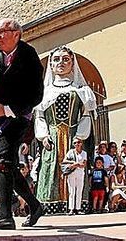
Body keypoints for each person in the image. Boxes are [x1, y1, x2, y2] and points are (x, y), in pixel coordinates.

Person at [0, 18, 44, 230]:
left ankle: (4, 215)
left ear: (16, 34)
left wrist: (7, 109)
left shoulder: (29, 56)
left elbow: (36, 96)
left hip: (17, 116)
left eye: (2, 31)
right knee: (9, 166)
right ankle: (34, 205)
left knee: (1, 159)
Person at [33, 47, 96, 212]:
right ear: (51, 65)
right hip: (52, 137)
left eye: (65, 59)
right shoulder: (45, 92)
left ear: (72, 63)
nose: (61, 63)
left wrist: (80, 136)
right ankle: (49, 206)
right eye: (56, 59)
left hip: (73, 135)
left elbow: (86, 115)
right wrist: (43, 136)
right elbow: (39, 115)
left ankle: (75, 205)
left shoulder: (82, 90)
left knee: (75, 169)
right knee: (50, 167)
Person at [61, 137, 87, 215]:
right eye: (75, 143)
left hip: (80, 173)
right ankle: (71, 208)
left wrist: (77, 165)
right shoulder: (70, 152)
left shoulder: (84, 153)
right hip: (72, 173)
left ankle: (78, 208)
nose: (77, 144)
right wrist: (74, 163)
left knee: (79, 190)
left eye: (78, 142)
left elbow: (83, 165)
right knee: (71, 191)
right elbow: (64, 161)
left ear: (81, 143)